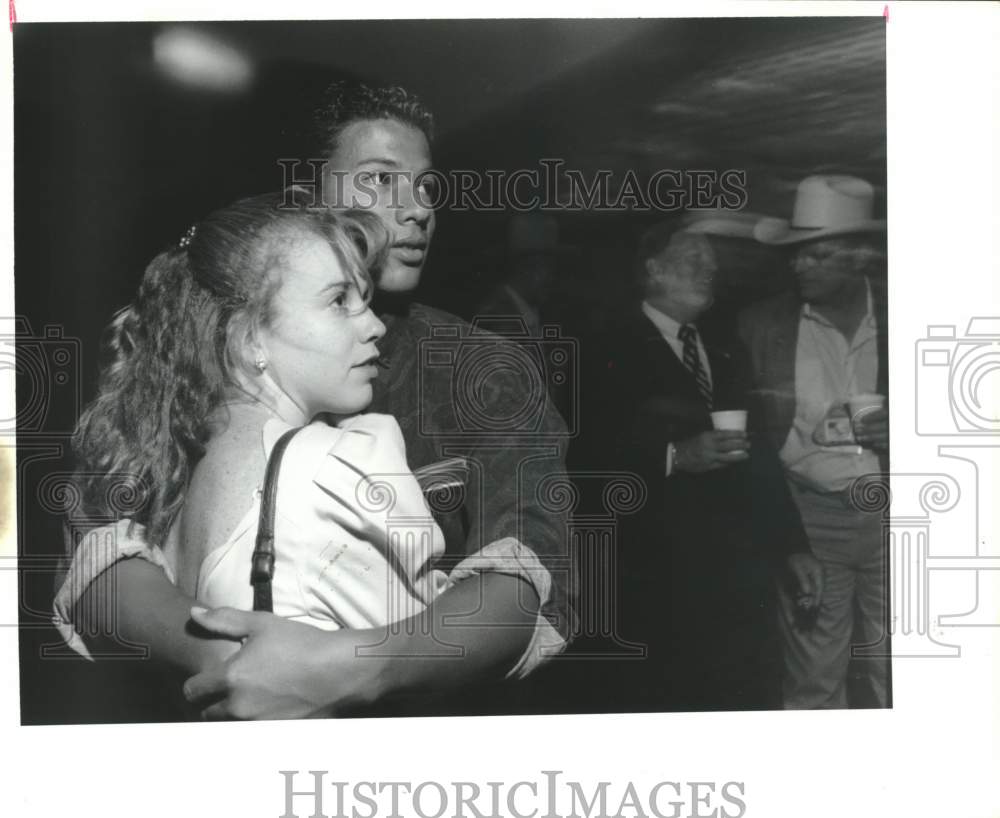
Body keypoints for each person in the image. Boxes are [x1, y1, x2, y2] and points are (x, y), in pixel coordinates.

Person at [56, 83, 572, 720]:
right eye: (380, 179)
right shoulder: (205, 351)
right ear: (307, 199)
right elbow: (97, 550)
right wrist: (229, 661)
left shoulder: (483, 372)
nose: (418, 209)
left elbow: (529, 582)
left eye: (426, 185)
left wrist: (345, 670)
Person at [581, 223, 821, 711]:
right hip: (653, 578)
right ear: (654, 270)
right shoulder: (603, 347)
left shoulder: (726, 346)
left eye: (712, 262)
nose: (710, 269)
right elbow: (584, 458)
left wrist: (794, 546)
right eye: (695, 259)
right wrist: (674, 456)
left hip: (736, 577)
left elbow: (760, 456)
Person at [740, 174, 889, 709]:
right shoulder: (760, 326)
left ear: (859, 258)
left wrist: (912, 430)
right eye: (796, 255)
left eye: (818, 255)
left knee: (903, 671)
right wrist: (786, 537)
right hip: (810, 520)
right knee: (813, 683)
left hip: (900, 519)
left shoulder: (912, 313)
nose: (799, 265)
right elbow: (752, 436)